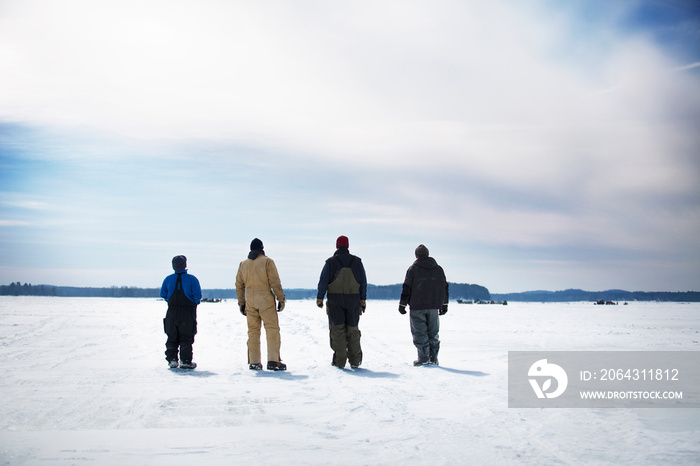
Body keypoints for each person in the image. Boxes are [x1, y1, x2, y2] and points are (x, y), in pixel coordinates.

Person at [235, 238, 287, 371]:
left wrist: (242, 302)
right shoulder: (267, 262)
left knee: (253, 332)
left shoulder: (243, 264)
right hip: (266, 301)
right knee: (272, 330)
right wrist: (281, 299)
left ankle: (254, 361)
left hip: (250, 301)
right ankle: (273, 361)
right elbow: (275, 282)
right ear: (262, 248)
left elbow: (239, 285)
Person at [317, 235, 367, 369]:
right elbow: (363, 282)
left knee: (337, 330)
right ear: (348, 246)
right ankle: (355, 361)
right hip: (353, 300)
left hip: (335, 301)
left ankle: (339, 361)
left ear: (337, 246)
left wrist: (320, 298)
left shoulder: (330, 262)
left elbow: (323, 281)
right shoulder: (357, 262)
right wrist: (363, 300)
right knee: (352, 330)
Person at [399, 244, 449, 366]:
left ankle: (423, 358)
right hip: (433, 306)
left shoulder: (412, 269)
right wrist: (444, 303)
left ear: (416, 256)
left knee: (420, 333)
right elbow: (444, 287)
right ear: (428, 254)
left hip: (417, 306)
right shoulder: (438, 269)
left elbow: (407, 288)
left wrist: (402, 304)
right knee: (433, 333)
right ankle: (433, 358)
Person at [160, 255, 202, 369]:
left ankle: (172, 360)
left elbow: (163, 294)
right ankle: (185, 361)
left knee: (172, 336)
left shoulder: (168, 279)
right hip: (187, 312)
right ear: (185, 265)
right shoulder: (192, 279)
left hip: (172, 311)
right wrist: (193, 302)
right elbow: (197, 295)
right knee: (186, 337)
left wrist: (171, 300)